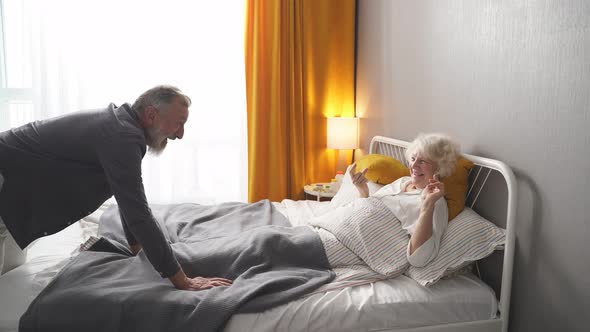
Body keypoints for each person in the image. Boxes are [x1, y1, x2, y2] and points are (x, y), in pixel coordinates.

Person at [0, 85, 231, 290]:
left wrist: (136, 248)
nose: (180, 134)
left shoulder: (122, 127)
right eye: (180, 123)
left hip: (15, 184)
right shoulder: (122, 136)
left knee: (9, 276)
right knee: (7, 276)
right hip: (6, 176)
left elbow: (126, 197)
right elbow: (137, 212)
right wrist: (182, 280)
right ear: (151, 114)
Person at [349, 133, 459, 267]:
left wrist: (427, 205)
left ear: (440, 167)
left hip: (354, 244)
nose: (414, 166)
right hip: (343, 226)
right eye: (413, 159)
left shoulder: (435, 203)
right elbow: (369, 211)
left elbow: (419, 259)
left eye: (422, 161)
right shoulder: (403, 181)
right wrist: (363, 191)